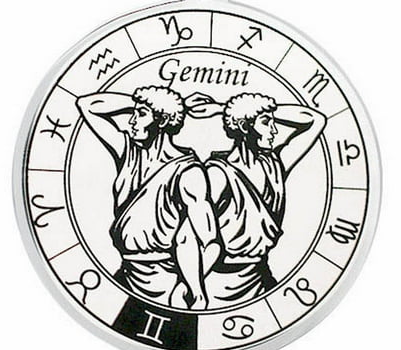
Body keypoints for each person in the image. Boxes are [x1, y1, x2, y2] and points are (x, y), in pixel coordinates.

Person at [77, 87, 220, 309]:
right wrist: (169, 103)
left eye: (141, 114)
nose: (131, 121)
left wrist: (192, 285)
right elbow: (86, 104)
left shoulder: (189, 172)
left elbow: (210, 241)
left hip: (170, 285)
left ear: (162, 121)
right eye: (134, 113)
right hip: (125, 278)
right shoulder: (127, 152)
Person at [187, 92, 326, 306]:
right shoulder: (217, 174)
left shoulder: (275, 166)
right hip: (217, 284)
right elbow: (191, 236)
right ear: (245, 126)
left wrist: (223, 107)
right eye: (266, 122)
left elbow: (316, 120)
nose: (275, 130)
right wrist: (193, 287)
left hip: (260, 279)